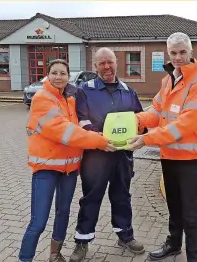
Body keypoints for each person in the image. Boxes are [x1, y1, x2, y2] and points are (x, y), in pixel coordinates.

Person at [127, 32, 197, 262]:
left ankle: (195, 257)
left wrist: (147, 138)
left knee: (191, 212)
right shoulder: (169, 80)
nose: (178, 57)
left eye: (182, 52)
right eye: (173, 53)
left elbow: (183, 126)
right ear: (168, 53)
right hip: (168, 155)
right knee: (174, 206)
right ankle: (174, 244)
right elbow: (157, 110)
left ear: (191, 52)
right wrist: (134, 121)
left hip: (188, 159)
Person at [19, 59, 117, 262]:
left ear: (68, 76)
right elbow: (65, 131)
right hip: (46, 169)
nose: (58, 77)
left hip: (70, 169)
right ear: (47, 75)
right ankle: (24, 258)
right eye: (54, 73)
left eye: (62, 73)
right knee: (38, 221)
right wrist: (99, 141)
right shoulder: (42, 99)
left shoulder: (69, 99)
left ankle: (55, 255)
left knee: (63, 213)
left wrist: (104, 131)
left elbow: (81, 128)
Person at [69, 47, 145, 262]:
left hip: (123, 155)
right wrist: (100, 140)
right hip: (97, 155)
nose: (107, 67)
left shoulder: (128, 90)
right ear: (95, 66)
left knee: (122, 196)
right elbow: (81, 121)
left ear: (116, 62)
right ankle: (82, 241)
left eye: (109, 62)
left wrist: (141, 135)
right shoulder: (85, 90)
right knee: (91, 198)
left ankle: (125, 235)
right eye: (101, 63)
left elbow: (139, 119)